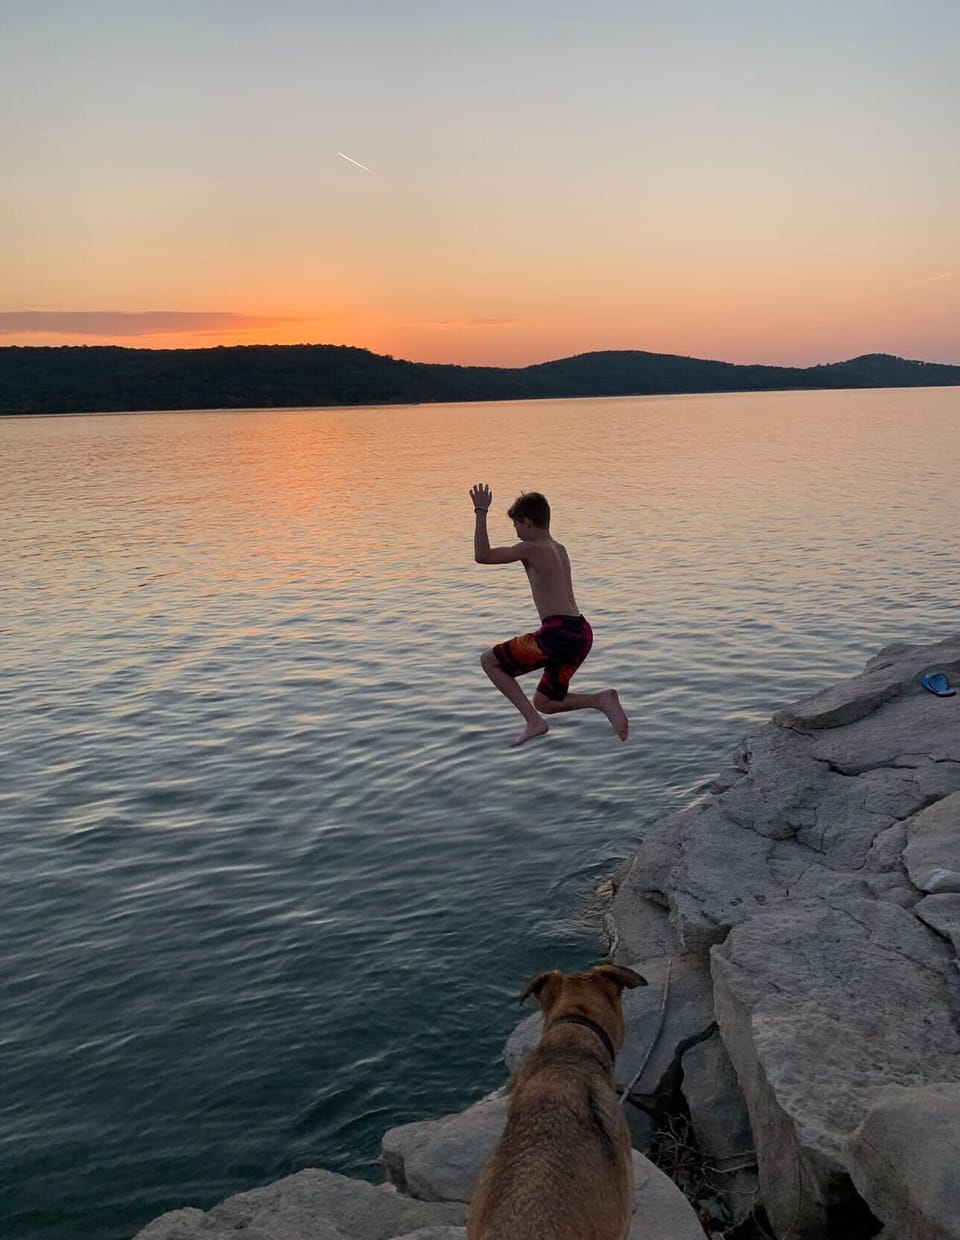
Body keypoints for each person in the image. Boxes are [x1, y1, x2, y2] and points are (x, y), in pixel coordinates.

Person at [470, 483, 629, 747]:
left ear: (528, 522)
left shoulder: (530, 547)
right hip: (581, 632)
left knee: (490, 661)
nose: (517, 534)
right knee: (546, 701)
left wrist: (480, 510)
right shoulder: (560, 548)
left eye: (517, 527)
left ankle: (533, 722)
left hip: (558, 633)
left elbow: (482, 556)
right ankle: (601, 700)